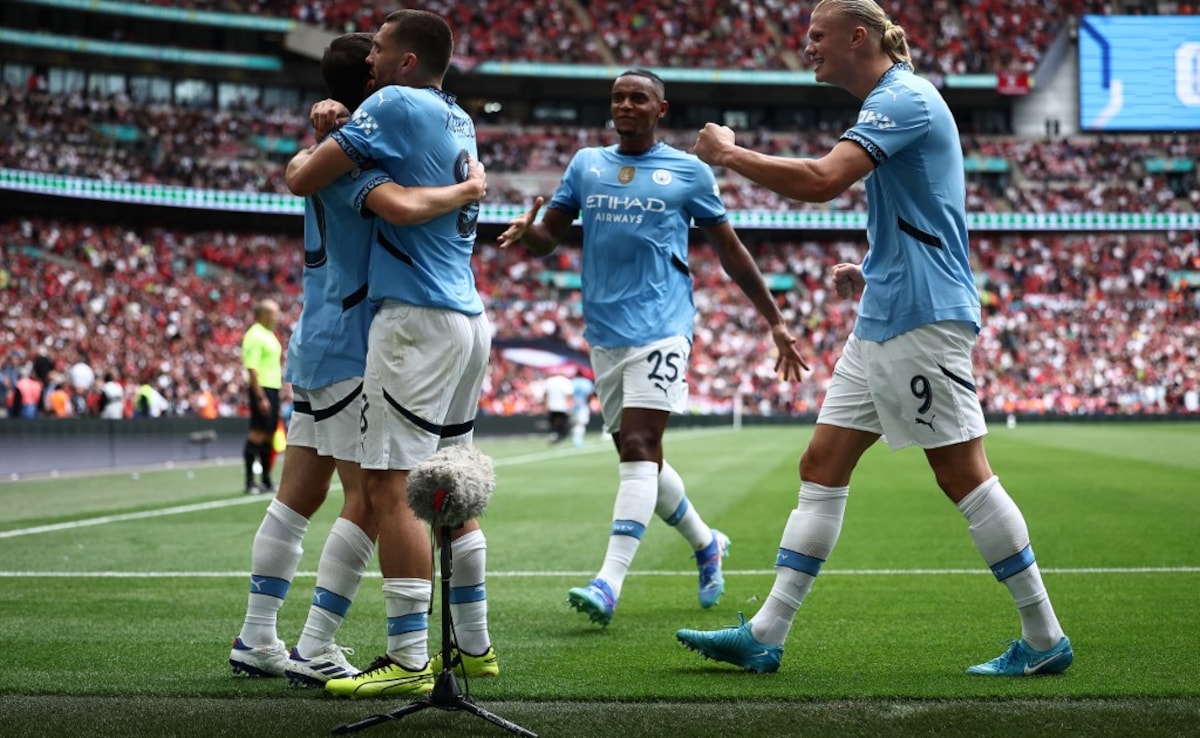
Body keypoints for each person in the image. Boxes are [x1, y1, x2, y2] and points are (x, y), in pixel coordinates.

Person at [675, 0, 1072, 677]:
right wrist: (874, 267)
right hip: (888, 312)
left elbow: (824, 181)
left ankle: (1043, 638)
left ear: (858, 37)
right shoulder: (893, 102)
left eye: (816, 37)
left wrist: (728, 154)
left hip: (919, 317)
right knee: (820, 466)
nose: (807, 48)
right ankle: (766, 633)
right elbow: (926, 210)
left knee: (962, 475)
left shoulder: (903, 98)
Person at [497, 68, 807, 627]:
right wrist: (531, 229)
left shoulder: (688, 172)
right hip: (605, 331)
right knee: (637, 455)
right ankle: (706, 541)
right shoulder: (586, 165)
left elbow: (732, 253)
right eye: (618, 97)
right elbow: (550, 237)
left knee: (640, 444)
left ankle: (608, 582)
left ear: (661, 109)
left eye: (638, 97)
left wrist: (775, 322)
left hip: (663, 325)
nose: (626, 105)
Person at [229, 31, 490, 688]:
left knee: (299, 495)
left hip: (316, 333)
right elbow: (398, 207)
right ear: (373, 90)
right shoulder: (358, 159)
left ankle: (258, 634)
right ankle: (317, 644)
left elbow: (299, 173)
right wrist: (465, 191)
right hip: (352, 339)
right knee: (371, 499)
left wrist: (316, 132)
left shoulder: (328, 149)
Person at [241, 299, 284, 494]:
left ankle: (266, 479)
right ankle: (250, 481)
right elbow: (252, 368)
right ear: (265, 314)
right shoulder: (254, 335)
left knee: (269, 435)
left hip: (272, 388)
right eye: (275, 313)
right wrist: (260, 397)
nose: (278, 317)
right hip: (262, 389)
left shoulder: (269, 335)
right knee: (257, 433)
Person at [543, 371, 573, 444]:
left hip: (552, 405)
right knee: (562, 422)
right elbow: (569, 395)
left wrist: (545, 405)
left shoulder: (549, 381)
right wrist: (569, 406)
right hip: (562, 406)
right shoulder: (566, 381)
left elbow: (546, 395)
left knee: (553, 421)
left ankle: (555, 434)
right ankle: (560, 436)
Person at [570, 369, 596, 447]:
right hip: (582, 406)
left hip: (573, 406)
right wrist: (588, 403)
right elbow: (589, 394)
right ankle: (578, 440)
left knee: (575, 423)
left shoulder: (572, 382)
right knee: (581, 424)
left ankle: (575, 438)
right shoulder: (586, 382)